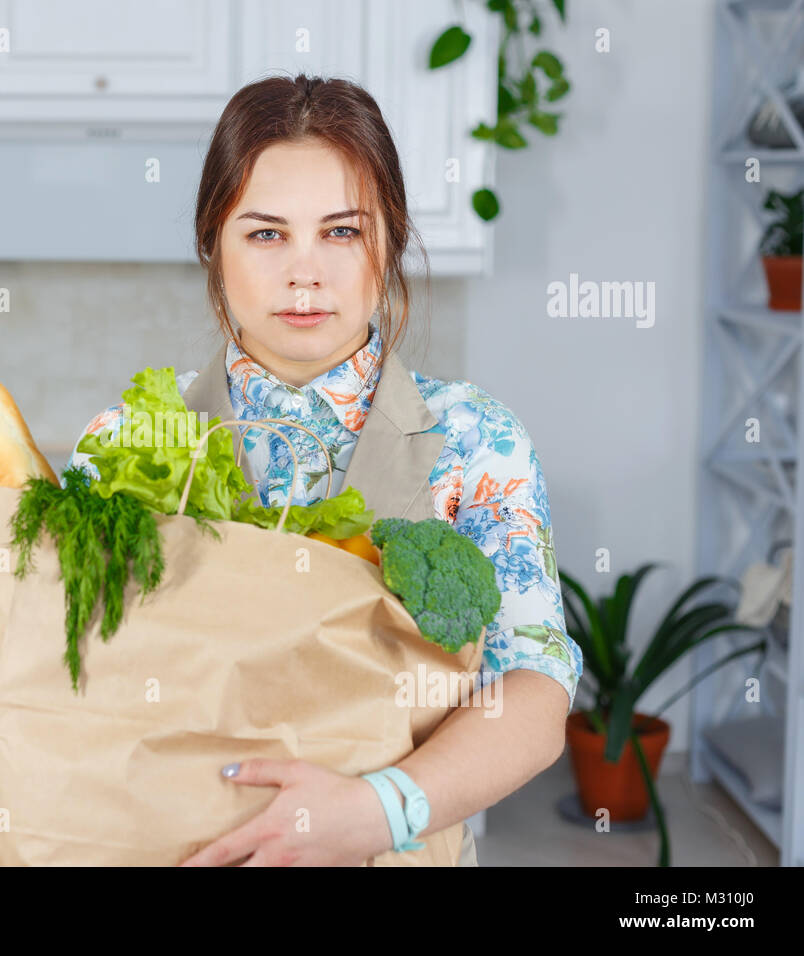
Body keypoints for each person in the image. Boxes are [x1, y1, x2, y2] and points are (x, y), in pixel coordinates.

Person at [66, 74, 582, 867]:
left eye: (342, 233)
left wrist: (381, 808)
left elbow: (533, 694)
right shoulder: (126, 445)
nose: (305, 274)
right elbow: (71, 680)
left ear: (391, 241)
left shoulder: (478, 442)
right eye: (266, 234)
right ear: (213, 242)